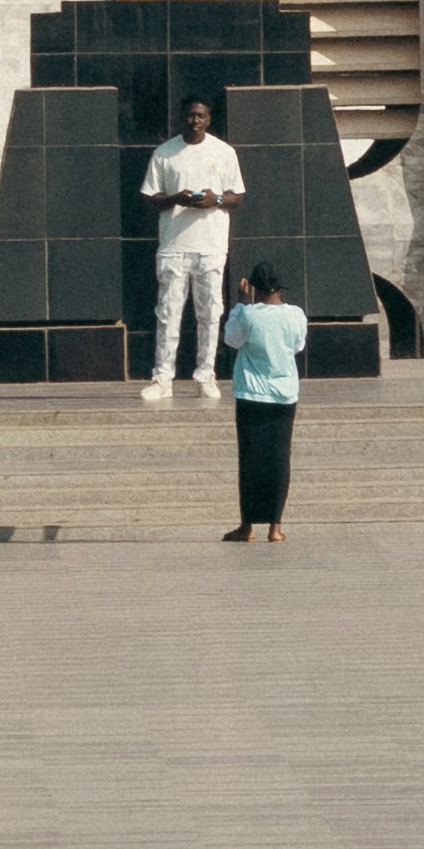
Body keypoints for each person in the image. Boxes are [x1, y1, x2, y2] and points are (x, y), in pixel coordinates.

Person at [141, 94, 245, 400]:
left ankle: (206, 375)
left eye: (200, 116)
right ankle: (162, 378)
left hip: (211, 244)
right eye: (190, 115)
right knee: (168, 313)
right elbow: (150, 197)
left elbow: (237, 196)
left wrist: (213, 199)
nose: (195, 121)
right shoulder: (165, 153)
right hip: (174, 245)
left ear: (209, 119)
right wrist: (176, 198)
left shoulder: (224, 152)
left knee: (210, 313)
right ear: (182, 117)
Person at [221, 265, 306, 542]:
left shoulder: (248, 314)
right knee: (280, 458)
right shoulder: (295, 315)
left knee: (250, 460)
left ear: (254, 288)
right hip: (284, 394)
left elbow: (232, 339)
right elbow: (297, 346)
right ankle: (276, 527)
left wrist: (239, 303)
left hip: (252, 394)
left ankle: (247, 526)